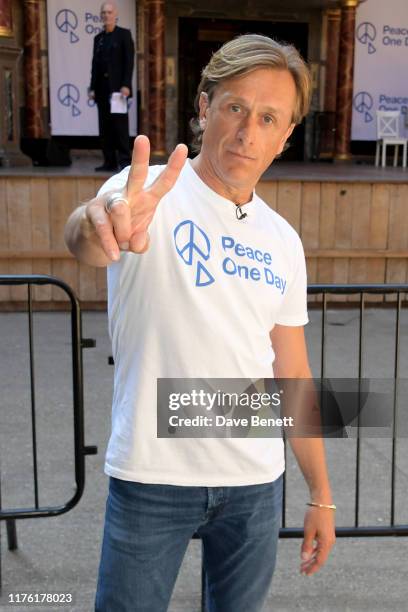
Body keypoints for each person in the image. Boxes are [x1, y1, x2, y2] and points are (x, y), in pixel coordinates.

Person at [65, 34, 336, 612]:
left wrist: (322, 493)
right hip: (151, 475)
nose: (247, 132)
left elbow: (292, 370)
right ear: (204, 106)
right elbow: (88, 236)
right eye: (235, 107)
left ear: (286, 136)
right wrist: (100, 226)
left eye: (269, 118)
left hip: (256, 483)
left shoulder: (282, 240)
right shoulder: (144, 192)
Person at [88, 2, 134, 172]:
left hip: (118, 91)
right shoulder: (98, 39)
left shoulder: (123, 35)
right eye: (103, 12)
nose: (106, 15)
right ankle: (109, 161)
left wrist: (126, 85)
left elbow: (129, 62)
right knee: (104, 126)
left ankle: (124, 162)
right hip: (101, 89)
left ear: (115, 15)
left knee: (120, 125)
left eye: (109, 12)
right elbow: (95, 65)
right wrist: (92, 88)